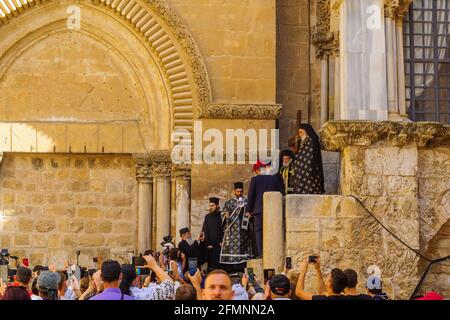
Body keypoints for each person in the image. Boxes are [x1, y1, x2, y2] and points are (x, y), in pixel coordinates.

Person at [246, 160, 285, 258]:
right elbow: (282, 193)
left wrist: (248, 210)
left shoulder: (255, 179)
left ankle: (261, 254)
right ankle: (274, 252)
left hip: (258, 210)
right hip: (274, 209)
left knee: (259, 231)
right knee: (274, 230)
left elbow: (251, 195)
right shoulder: (276, 177)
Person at [220, 182, 252, 273]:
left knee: (243, 251)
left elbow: (250, 214)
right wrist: (226, 215)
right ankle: (231, 270)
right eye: (237, 191)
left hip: (243, 232)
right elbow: (222, 215)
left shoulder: (246, 202)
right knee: (231, 250)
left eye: (241, 191)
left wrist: (250, 215)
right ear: (234, 191)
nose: (239, 193)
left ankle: (242, 269)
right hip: (231, 232)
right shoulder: (228, 203)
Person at [292, 123, 325, 194]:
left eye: (301, 132)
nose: (299, 134)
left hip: (309, 173)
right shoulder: (304, 142)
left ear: (306, 131)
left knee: (309, 191)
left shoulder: (311, 141)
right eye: (299, 132)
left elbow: (309, 157)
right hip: (302, 173)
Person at [201, 197, 224, 272]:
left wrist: (222, 241)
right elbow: (205, 230)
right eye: (210, 205)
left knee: (219, 266)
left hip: (219, 245)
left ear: (217, 206)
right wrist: (207, 243)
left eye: (213, 205)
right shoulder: (207, 217)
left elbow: (224, 229)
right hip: (210, 246)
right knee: (211, 267)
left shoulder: (221, 216)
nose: (211, 207)